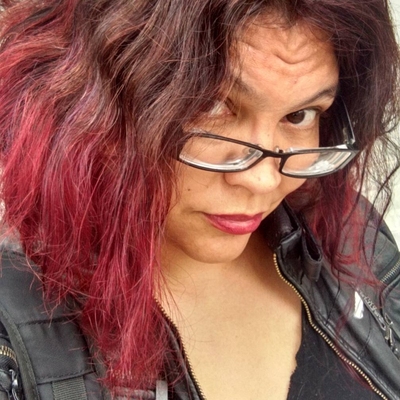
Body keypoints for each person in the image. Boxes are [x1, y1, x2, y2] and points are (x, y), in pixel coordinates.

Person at [0, 0, 399, 399]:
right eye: (212, 106)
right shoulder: (14, 330)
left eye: (300, 116)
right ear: (90, 97)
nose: (263, 180)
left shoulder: (351, 237)